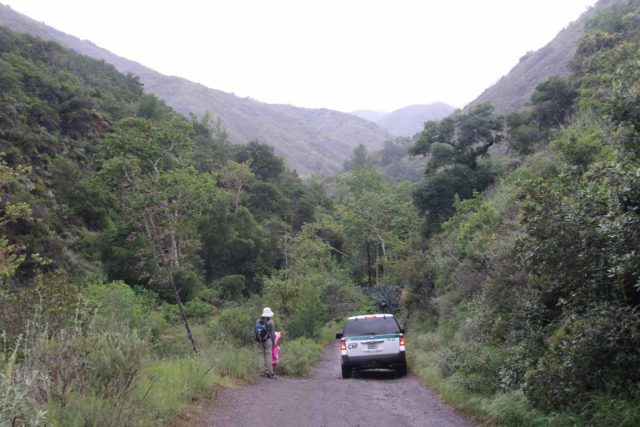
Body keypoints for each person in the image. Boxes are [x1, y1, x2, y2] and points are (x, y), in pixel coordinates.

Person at [255, 307, 276, 378]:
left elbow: (256, 331)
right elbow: (272, 334)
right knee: (268, 355)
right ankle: (269, 372)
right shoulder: (271, 322)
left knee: (260, 355)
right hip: (267, 340)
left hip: (259, 341)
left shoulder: (258, 321)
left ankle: (261, 372)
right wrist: (273, 343)